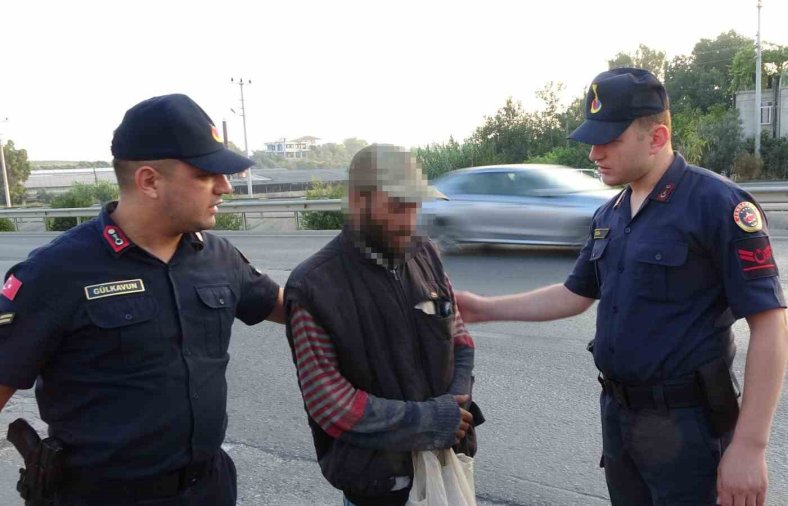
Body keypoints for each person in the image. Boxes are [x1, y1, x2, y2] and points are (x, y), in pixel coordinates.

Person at [456, 68, 788, 506]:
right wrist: (484, 307)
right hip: (621, 419)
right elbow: (575, 294)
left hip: (691, 426)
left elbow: (771, 329)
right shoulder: (610, 214)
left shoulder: (717, 205)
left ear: (656, 137)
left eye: (609, 139)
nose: (594, 152)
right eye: (593, 138)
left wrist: (749, 447)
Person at [0, 93, 285, 505]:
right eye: (207, 175)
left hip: (209, 489)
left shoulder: (218, 257)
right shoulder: (56, 272)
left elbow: (288, 306)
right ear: (149, 181)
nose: (225, 187)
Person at [283, 144, 482, 506]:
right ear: (359, 201)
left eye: (414, 206)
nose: (408, 220)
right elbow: (330, 404)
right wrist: (432, 421)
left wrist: (456, 398)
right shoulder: (314, 285)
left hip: (445, 464)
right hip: (378, 485)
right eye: (396, 207)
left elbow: (459, 336)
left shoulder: (425, 255)